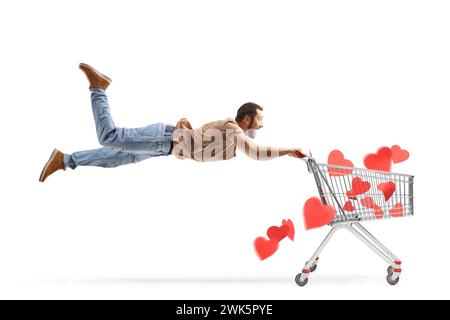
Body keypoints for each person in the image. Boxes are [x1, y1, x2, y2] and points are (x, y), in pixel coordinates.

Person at [39, 63, 305, 182]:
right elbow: (257, 153)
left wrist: (188, 128)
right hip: (163, 139)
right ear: (246, 119)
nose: (261, 125)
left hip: (163, 147)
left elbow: (202, 139)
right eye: (259, 120)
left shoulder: (232, 139)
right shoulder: (234, 130)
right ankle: (99, 88)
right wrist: (287, 151)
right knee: (109, 138)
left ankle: (63, 160)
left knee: (114, 158)